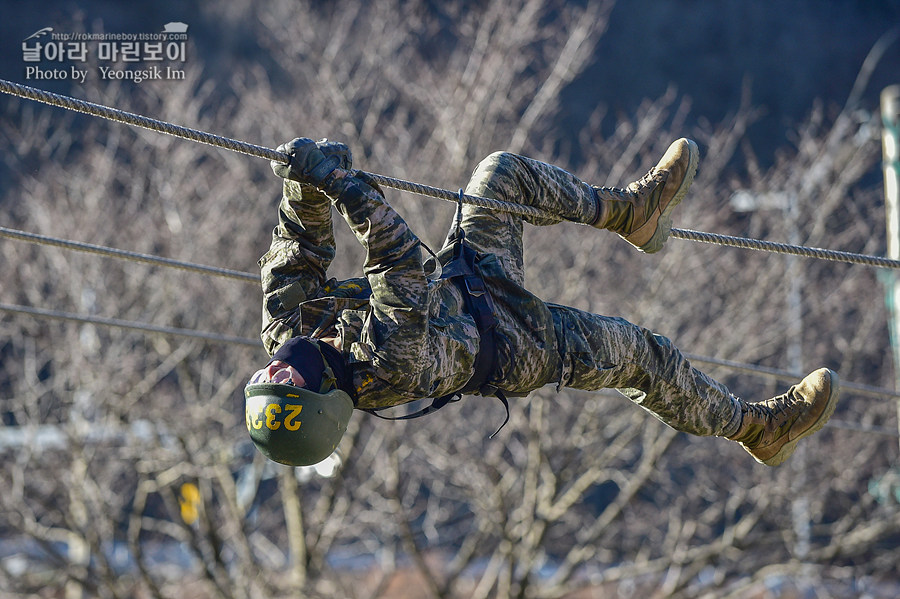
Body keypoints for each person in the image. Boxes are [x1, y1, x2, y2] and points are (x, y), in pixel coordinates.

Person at [243, 137, 839, 468]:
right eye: (284, 382)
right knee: (640, 354)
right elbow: (396, 257)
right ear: (320, 399)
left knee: (500, 173)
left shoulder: (288, 333)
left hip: (468, 284)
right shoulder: (386, 365)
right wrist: (340, 183)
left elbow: (297, 248)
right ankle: (758, 427)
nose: (272, 367)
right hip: (514, 343)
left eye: (265, 378)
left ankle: (629, 212)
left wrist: (304, 181)